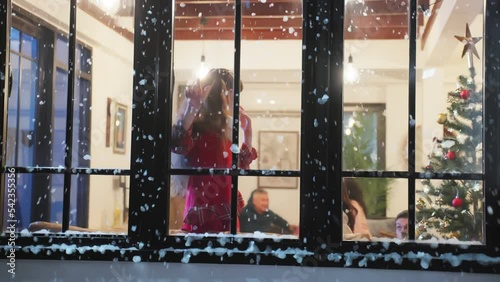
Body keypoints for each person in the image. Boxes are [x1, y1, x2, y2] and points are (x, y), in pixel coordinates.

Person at [171, 68, 257, 233]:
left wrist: (248, 133)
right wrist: (192, 109)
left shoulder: (225, 125)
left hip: (223, 201)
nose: (235, 101)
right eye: (232, 94)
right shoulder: (198, 125)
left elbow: (236, 167)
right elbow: (178, 145)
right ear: (222, 95)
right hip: (203, 203)